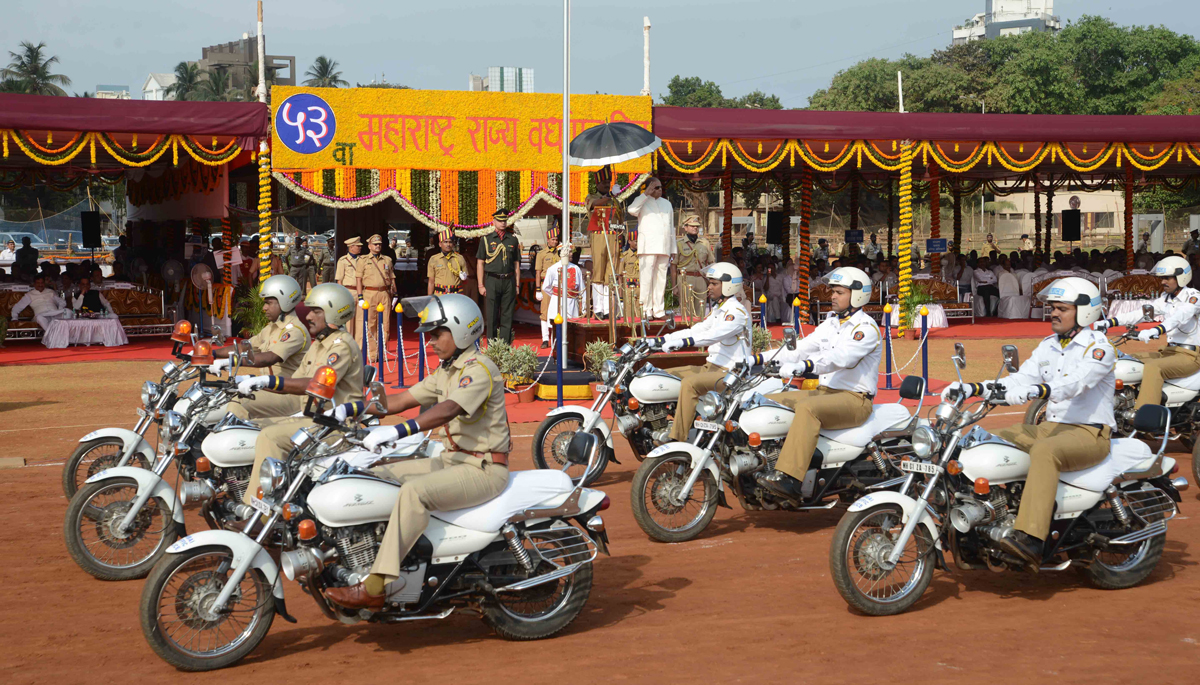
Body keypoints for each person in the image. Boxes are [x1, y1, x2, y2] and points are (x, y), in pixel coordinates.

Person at [320, 294, 509, 608]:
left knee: (413, 493)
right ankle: (361, 557)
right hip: (451, 460)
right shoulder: (445, 370)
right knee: (372, 476)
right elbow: (400, 400)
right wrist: (348, 408)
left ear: (461, 330)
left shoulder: (478, 370)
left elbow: (447, 410)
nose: (431, 342)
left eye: (437, 334)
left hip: (484, 469)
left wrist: (396, 430)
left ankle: (378, 584)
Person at [944, 277, 1113, 565]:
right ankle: (980, 516)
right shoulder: (1049, 345)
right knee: (984, 440)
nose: (1054, 314)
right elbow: (1021, 378)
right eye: (1052, 308)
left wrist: (1038, 391)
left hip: (1089, 433)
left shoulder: (1098, 348)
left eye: (1062, 308)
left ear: (1084, 311)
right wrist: (975, 387)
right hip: (1049, 428)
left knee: (1045, 452)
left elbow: (1077, 383)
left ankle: (1031, 538)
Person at [753, 267, 881, 500]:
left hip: (854, 399)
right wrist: (758, 359)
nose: (832, 296)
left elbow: (840, 358)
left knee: (808, 409)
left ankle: (791, 479)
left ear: (858, 295)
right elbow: (800, 348)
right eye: (832, 291)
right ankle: (762, 463)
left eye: (839, 292)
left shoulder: (866, 329)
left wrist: (806, 366)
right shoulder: (831, 324)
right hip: (825, 393)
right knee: (767, 402)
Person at [238, 283, 365, 502]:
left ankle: (260, 512)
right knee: (249, 428)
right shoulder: (320, 343)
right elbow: (293, 381)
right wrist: (254, 382)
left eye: (317, 311)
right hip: (312, 417)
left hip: (335, 425)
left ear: (334, 312)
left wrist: (266, 379)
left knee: (271, 436)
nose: (309, 316)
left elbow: (312, 383)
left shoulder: (341, 347)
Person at [661, 263, 753, 443]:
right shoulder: (720, 309)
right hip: (711, 368)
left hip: (730, 374)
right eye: (710, 283)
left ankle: (677, 440)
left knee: (689, 384)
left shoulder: (736, 313)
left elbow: (711, 336)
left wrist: (681, 343)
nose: (709, 287)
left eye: (714, 283)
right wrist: (664, 339)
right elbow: (699, 329)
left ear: (729, 285)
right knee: (665, 377)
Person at [1096, 255, 1200, 409]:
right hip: (1168, 351)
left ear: (1181, 277)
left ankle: (1145, 418)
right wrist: (1110, 322)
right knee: (1127, 361)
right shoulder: (1166, 298)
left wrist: (1156, 330)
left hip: (1190, 356)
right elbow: (1141, 312)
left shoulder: (1193, 297)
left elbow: (1180, 317)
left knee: (1153, 367)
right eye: (1162, 278)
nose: (1162, 282)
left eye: (1167, 278)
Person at [210, 275, 311, 420]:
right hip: (271, 389)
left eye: (269, 303)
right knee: (220, 395)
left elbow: (268, 358)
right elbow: (244, 348)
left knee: (239, 402)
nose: (264, 308)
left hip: (289, 394)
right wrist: (211, 354)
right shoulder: (272, 328)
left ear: (285, 302)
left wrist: (230, 361)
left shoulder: (294, 331)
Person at [627, 177, 674, 320]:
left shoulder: (667, 204)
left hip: (664, 246)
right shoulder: (642, 202)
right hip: (648, 246)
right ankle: (645, 310)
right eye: (656, 187)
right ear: (649, 188)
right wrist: (646, 194)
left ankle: (658, 311)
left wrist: (673, 250)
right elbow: (631, 210)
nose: (659, 190)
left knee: (660, 279)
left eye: (660, 187)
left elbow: (671, 227)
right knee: (646, 279)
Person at [476, 208, 521, 343]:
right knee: (492, 315)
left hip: (509, 280)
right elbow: (480, 263)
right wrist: (480, 284)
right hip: (492, 280)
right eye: (500, 220)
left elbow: (517, 264)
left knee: (507, 316)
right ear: (494, 221)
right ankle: (492, 347)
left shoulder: (512, 239)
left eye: (505, 220)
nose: (502, 223)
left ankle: (505, 348)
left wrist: (517, 284)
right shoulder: (486, 239)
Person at [585, 167, 623, 320]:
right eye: (604, 182)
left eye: (609, 182)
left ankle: (608, 308)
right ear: (597, 184)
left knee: (610, 273)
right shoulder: (591, 196)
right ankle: (598, 308)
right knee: (598, 271)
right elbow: (595, 205)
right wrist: (610, 195)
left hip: (613, 235)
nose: (607, 184)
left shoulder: (615, 199)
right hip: (599, 235)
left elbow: (620, 217)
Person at [357, 234, 395, 365]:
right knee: (371, 325)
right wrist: (360, 296)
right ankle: (372, 354)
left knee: (385, 325)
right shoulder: (362, 260)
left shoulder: (387, 260)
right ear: (369, 246)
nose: (377, 246)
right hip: (369, 293)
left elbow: (391, 277)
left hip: (384, 293)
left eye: (379, 244)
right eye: (375, 244)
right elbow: (358, 279)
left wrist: (394, 293)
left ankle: (382, 353)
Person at [674, 214, 715, 321]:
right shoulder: (679, 244)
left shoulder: (704, 243)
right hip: (685, 279)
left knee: (700, 310)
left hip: (701, 278)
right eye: (692, 226)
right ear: (685, 227)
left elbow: (711, 262)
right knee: (686, 311)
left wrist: (711, 282)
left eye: (697, 226)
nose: (695, 228)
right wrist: (674, 286)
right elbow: (673, 266)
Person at [541, 242, 584, 326]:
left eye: (571, 251)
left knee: (571, 329)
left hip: (572, 303)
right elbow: (546, 286)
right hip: (557, 303)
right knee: (556, 329)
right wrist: (556, 294)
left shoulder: (576, 268)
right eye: (569, 251)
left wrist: (583, 307)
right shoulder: (552, 269)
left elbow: (582, 289)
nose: (571, 254)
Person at [535, 223, 562, 347]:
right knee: (545, 313)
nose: (555, 242)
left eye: (556, 239)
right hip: (546, 286)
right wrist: (538, 289)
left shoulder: (560, 253)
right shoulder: (541, 254)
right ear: (548, 240)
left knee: (558, 312)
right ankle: (545, 339)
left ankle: (556, 338)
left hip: (558, 285)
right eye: (553, 239)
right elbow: (538, 272)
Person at [335, 235, 364, 340]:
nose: (360, 248)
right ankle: (349, 342)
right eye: (357, 246)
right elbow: (339, 280)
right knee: (349, 320)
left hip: (361, 292)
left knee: (360, 320)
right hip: (349, 291)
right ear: (351, 247)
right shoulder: (343, 260)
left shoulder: (363, 259)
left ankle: (360, 345)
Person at [427, 230, 468, 296]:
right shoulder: (434, 259)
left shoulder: (460, 258)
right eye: (445, 242)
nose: (448, 244)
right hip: (439, 294)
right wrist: (430, 298)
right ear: (440, 244)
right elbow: (431, 282)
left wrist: (464, 278)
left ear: (453, 244)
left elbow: (465, 282)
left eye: (450, 242)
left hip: (456, 294)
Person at [619, 232, 641, 321]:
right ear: (629, 241)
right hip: (629, 287)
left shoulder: (642, 255)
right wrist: (621, 293)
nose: (636, 243)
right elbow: (620, 275)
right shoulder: (625, 256)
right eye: (634, 241)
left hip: (641, 287)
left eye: (637, 240)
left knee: (640, 313)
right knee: (629, 314)